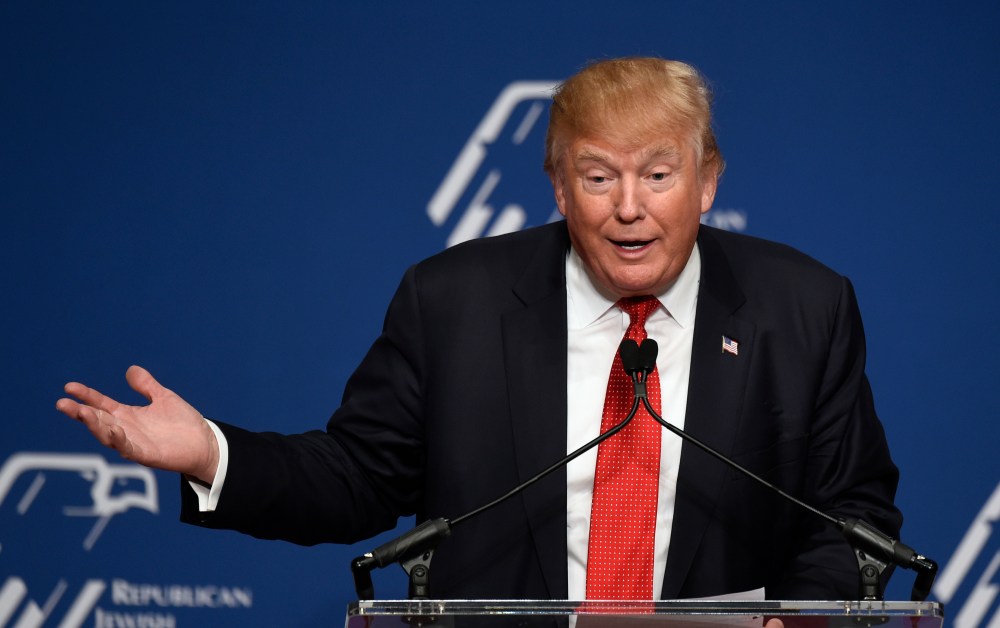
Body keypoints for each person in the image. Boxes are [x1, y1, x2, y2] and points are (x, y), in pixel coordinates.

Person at [56, 57, 901, 603]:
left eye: (658, 173)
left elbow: (850, 516)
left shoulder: (803, 307)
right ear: (559, 187)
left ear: (707, 180)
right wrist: (210, 453)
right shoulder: (452, 299)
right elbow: (357, 477)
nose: (629, 207)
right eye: (598, 175)